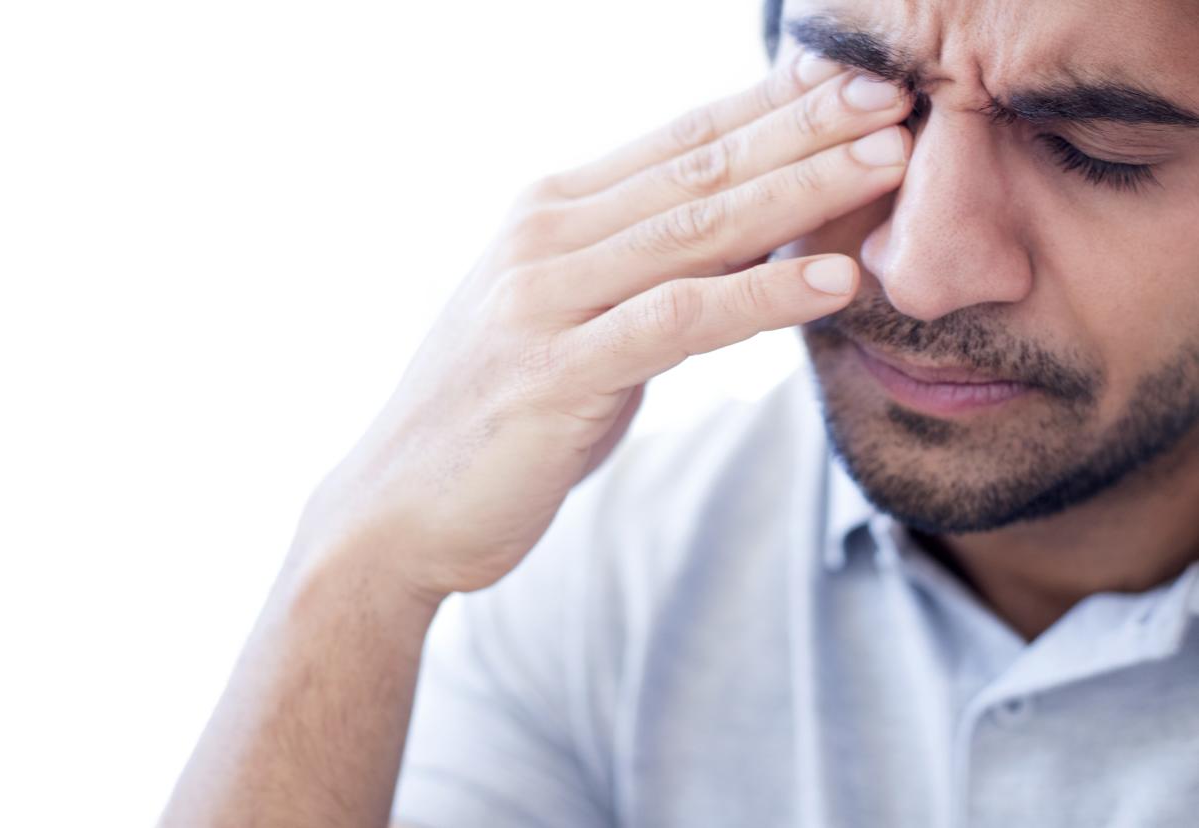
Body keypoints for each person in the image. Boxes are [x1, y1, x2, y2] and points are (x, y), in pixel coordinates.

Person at [160, 0, 1199, 825]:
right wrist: (359, 571)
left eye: (1096, 147)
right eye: (857, 95)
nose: (919, 270)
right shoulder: (607, 568)